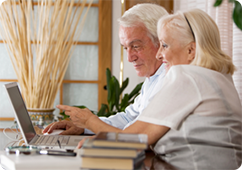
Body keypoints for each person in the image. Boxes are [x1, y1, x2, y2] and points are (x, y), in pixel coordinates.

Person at [59, 8, 242, 169]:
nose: (160, 54)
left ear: (191, 51)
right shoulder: (217, 77)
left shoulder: (186, 77)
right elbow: (133, 124)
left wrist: (89, 121)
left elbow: (130, 141)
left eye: (165, 45)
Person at [43, 3, 169, 135]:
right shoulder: (153, 78)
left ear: (161, 41)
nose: (130, 58)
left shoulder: (169, 80)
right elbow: (127, 119)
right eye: (126, 48)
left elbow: (138, 137)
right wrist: (83, 127)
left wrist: (90, 122)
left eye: (136, 46)